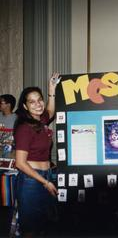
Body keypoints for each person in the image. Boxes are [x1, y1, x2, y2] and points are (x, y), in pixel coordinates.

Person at [14, 73, 60, 237]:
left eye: (39, 99)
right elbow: (20, 163)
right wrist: (45, 182)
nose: (38, 104)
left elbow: (50, 110)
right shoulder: (25, 128)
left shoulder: (40, 121)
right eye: (32, 102)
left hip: (45, 176)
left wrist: (51, 91)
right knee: (31, 229)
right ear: (25, 106)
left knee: (43, 224)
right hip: (31, 181)